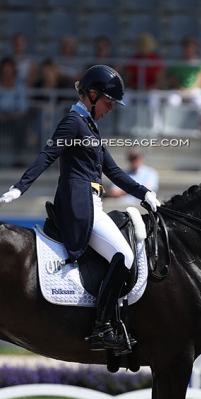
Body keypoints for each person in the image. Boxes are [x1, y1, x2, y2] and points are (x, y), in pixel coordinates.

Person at [0, 65, 161, 353]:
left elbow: (113, 171)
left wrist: (144, 192)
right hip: (80, 206)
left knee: (123, 254)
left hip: (94, 202)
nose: (110, 109)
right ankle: (103, 326)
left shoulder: (89, 126)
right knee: (123, 256)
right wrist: (19, 188)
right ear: (92, 95)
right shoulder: (73, 122)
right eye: (108, 103)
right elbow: (47, 155)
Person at [166, 36, 201, 111]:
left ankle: (200, 122)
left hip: (196, 89)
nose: (189, 49)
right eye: (186, 46)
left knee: (200, 101)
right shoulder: (176, 63)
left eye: (191, 46)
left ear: (195, 48)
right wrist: (182, 91)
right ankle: (173, 121)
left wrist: (190, 91)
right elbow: (174, 80)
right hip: (179, 90)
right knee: (172, 100)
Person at [0, 56, 28, 166]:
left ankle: (18, 156)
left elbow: (23, 108)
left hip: (14, 118)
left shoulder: (19, 86)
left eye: (9, 68)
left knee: (20, 124)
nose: (7, 71)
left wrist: (11, 116)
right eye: (5, 68)